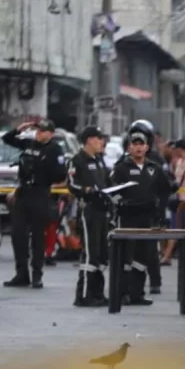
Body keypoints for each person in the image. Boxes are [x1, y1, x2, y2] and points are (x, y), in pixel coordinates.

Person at [111, 131, 174, 306]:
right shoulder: (121, 168)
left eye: (141, 144)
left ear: (146, 147)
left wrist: (160, 213)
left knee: (143, 256)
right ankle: (122, 293)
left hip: (147, 217)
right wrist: (120, 205)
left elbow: (165, 190)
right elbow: (111, 191)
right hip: (127, 217)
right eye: (135, 144)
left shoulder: (154, 168)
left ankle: (137, 293)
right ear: (129, 147)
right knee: (125, 256)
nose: (138, 147)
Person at [2, 119, 67, 289]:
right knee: (18, 235)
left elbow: (61, 175)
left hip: (40, 192)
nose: (39, 134)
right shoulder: (29, 144)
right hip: (23, 192)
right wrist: (19, 129)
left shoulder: (54, 149)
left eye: (43, 131)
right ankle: (21, 273)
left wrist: (42, 171)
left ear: (50, 134)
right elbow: (7, 139)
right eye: (37, 130)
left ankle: (37, 274)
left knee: (38, 236)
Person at [67, 126, 111, 308]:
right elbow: (71, 184)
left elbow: (107, 182)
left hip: (103, 210)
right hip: (89, 210)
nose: (101, 142)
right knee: (90, 253)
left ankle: (98, 293)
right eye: (99, 139)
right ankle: (84, 295)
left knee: (101, 254)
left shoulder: (99, 160)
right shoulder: (77, 161)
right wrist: (87, 191)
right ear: (89, 140)